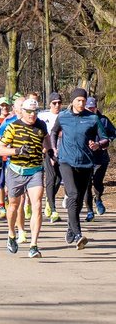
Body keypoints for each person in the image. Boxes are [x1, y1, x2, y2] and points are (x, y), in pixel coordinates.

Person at [0, 98, 49, 258]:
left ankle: (34, 245)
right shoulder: (13, 126)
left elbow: (46, 139)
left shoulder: (41, 125)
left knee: (37, 204)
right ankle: (11, 234)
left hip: (35, 170)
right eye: (29, 112)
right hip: (16, 171)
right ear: (22, 112)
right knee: (13, 206)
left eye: (35, 112)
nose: (32, 115)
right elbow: (0, 150)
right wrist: (16, 151)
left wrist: (49, 150)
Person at [50, 88, 101, 249]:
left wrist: (97, 144)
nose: (81, 103)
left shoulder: (92, 118)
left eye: (84, 101)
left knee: (79, 199)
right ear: (72, 101)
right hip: (66, 161)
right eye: (78, 100)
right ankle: (78, 233)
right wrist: (54, 149)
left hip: (86, 163)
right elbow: (53, 132)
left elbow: (105, 138)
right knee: (73, 194)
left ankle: (71, 226)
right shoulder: (63, 116)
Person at [84, 97, 115, 220]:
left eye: (93, 107)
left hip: (101, 158)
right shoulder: (82, 120)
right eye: (88, 107)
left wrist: (105, 143)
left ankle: (98, 200)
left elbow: (113, 134)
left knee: (97, 182)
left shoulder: (104, 120)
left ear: (96, 107)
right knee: (86, 184)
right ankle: (89, 211)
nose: (91, 110)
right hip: (85, 158)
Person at [38, 92, 64, 222]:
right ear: (50, 104)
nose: (57, 105)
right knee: (51, 177)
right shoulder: (43, 116)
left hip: (63, 151)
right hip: (48, 150)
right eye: (54, 103)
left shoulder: (65, 116)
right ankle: (53, 209)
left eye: (59, 103)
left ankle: (49, 200)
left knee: (59, 179)